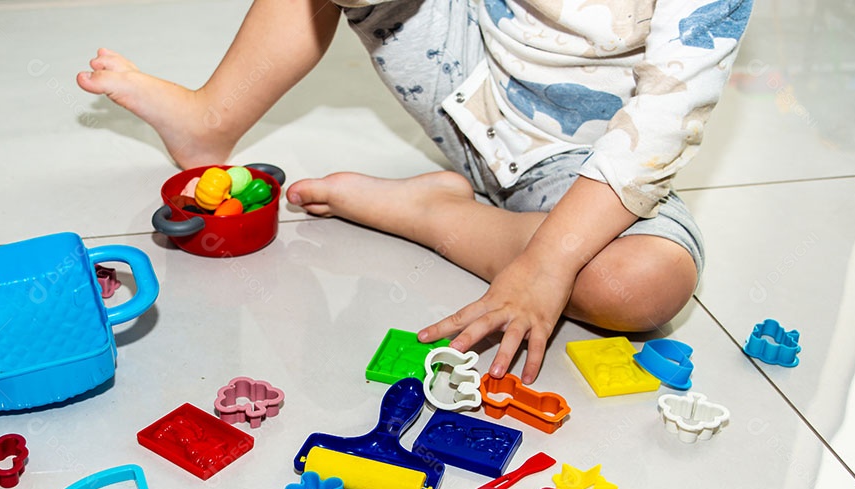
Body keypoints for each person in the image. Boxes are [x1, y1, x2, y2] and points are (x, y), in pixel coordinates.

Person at [77, 0, 753, 384]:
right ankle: (211, 120)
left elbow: (666, 120)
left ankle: (433, 214)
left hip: (590, 165)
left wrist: (546, 265)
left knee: (642, 284)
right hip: (461, 83)